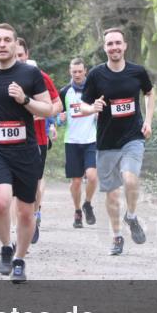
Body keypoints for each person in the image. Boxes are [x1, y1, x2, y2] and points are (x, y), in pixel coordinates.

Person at [0, 24, 53, 282]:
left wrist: (25, 100)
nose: (2, 44)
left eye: (7, 40)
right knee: (0, 202)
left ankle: (20, 259)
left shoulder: (30, 73)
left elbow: (48, 109)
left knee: (24, 211)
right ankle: (5, 247)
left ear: (14, 44)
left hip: (26, 151)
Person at [78, 27, 156, 255]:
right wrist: (92, 108)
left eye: (117, 43)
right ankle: (117, 236)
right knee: (112, 194)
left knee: (130, 180)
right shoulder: (96, 75)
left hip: (132, 137)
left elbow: (150, 93)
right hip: (106, 142)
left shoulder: (137, 72)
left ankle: (131, 216)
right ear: (105, 48)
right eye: (110, 44)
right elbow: (82, 105)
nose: (114, 47)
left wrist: (148, 121)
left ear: (125, 46)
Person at [14, 37, 61, 243]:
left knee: (33, 183)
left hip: (37, 139)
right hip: (11, 141)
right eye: (14, 55)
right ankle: (20, 227)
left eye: (21, 55)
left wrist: (43, 113)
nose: (18, 59)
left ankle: (35, 213)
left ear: (27, 55)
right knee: (13, 187)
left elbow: (58, 105)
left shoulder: (39, 76)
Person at [59, 58, 98, 228]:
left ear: (85, 71)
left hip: (91, 140)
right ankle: (77, 211)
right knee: (76, 182)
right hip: (72, 141)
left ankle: (87, 204)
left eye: (80, 71)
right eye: (74, 71)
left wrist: (98, 115)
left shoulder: (93, 90)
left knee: (92, 176)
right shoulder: (64, 92)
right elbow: (59, 115)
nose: (77, 74)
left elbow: (100, 111)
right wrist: (59, 120)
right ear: (70, 72)